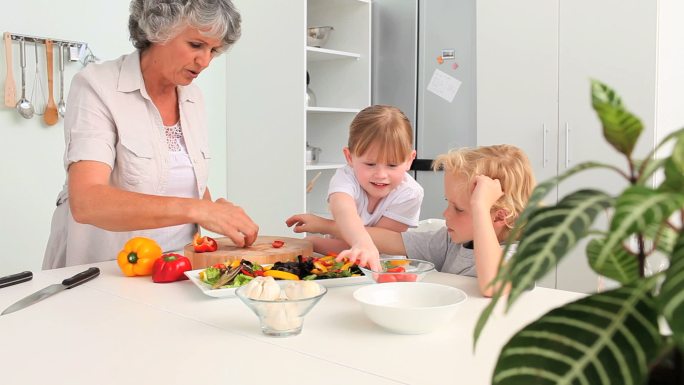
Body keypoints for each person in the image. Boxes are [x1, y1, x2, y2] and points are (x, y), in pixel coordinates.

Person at [43, 0, 258, 269]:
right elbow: (87, 202)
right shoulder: (97, 85)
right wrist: (199, 209)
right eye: (196, 45)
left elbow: (178, 174)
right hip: (107, 275)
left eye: (214, 50)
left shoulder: (193, 96)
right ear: (160, 30)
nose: (205, 61)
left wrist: (215, 210)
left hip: (176, 269)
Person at [287, 144, 535, 297]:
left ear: (499, 216)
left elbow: (492, 286)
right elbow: (393, 241)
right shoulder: (451, 241)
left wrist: (480, 206)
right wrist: (325, 227)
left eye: (459, 209)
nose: (445, 214)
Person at [287, 105, 423, 272]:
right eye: (370, 164)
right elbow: (344, 210)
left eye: (392, 165)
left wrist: (320, 232)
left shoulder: (410, 193)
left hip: (386, 271)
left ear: (410, 160)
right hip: (340, 263)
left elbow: (380, 246)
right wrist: (312, 242)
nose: (381, 174)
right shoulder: (345, 177)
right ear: (349, 157)